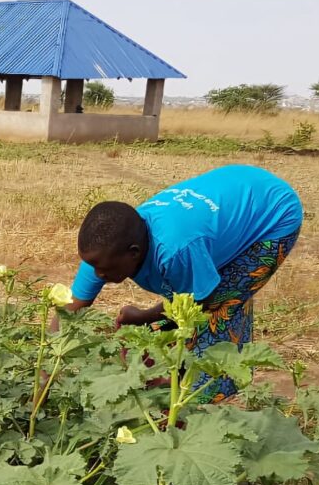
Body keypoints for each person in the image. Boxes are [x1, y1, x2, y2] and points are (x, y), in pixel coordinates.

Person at [58, 165, 302, 403]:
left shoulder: (175, 252)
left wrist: (145, 316)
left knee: (220, 306)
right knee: (199, 300)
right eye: (94, 267)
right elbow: (68, 310)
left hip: (273, 213)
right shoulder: (101, 252)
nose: (98, 274)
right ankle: (175, 375)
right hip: (230, 195)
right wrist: (48, 365)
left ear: (134, 253)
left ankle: (202, 398)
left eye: (105, 269)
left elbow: (197, 305)